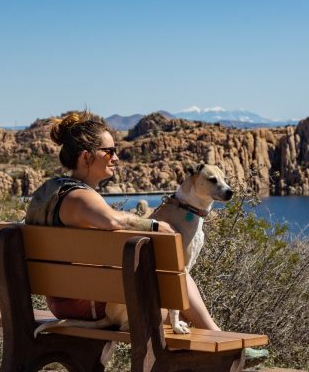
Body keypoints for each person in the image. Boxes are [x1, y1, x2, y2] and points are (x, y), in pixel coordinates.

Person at [25, 111, 220, 331]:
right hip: (87, 305)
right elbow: (113, 220)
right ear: (86, 157)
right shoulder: (79, 198)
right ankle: (220, 337)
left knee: (177, 292)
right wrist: (156, 225)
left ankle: (216, 335)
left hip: (62, 300)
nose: (116, 158)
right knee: (177, 277)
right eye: (109, 152)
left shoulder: (51, 190)